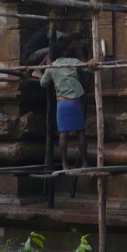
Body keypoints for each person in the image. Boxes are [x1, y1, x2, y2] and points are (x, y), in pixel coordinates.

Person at [40, 39, 88, 171]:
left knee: (63, 133)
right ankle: (84, 163)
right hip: (75, 102)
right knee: (81, 132)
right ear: (64, 52)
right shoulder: (72, 61)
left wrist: (45, 69)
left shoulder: (51, 67)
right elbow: (88, 67)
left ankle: (64, 164)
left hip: (62, 103)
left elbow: (43, 83)